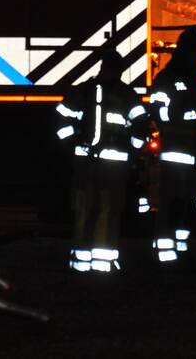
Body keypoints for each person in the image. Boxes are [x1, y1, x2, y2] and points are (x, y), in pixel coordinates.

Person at [55, 51, 147, 273]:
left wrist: (73, 148)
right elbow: (141, 128)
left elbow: (61, 123)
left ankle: (80, 262)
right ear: (120, 69)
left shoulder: (81, 92)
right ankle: (103, 265)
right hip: (113, 168)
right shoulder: (127, 95)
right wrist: (132, 155)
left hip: (85, 166)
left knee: (84, 210)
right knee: (108, 211)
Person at [148, 28, 196, 266]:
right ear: (188, 52)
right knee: (171, 201)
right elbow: (159, 113)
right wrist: (190, 127)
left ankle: (180, 248)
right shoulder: (167, 80)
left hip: (195, 153)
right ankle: (165, 252)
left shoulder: (195, 82)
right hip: (176, 153)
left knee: (186, 203)